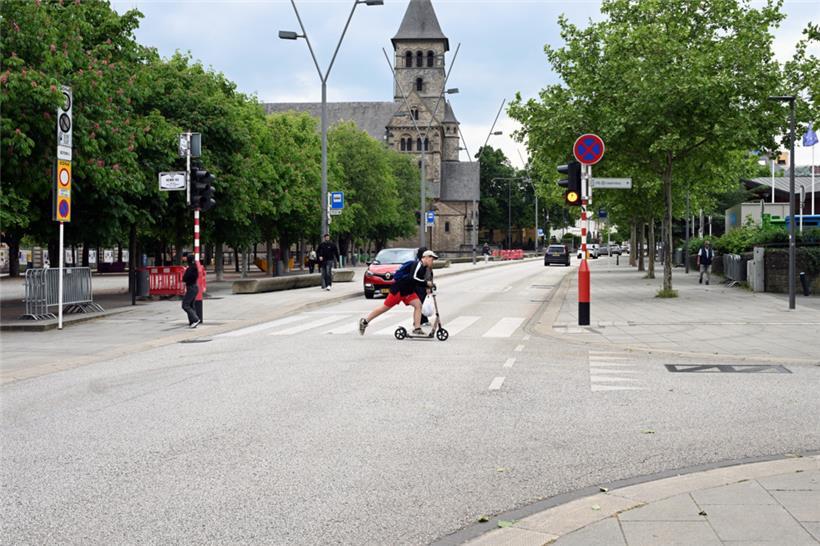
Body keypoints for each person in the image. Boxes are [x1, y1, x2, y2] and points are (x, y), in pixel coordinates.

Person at [359, 250, 437, 336]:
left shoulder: (424, 268)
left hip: (408, 292)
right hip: (398, 290)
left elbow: (417, 282)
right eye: (432, 259)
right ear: (426, 257)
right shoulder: (417, 264)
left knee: (418, 305)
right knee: (384, 308)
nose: (432, 261)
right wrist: (426, 283)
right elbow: (412, 278)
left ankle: (417, 329)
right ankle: (365, 321)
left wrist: (428, 286)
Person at [181, 254, 201, 328]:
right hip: (194, 287)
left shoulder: (190, 269)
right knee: (191, 305)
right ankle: (192, 322)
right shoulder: (195, 267)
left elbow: (185, 278)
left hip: (191, 287)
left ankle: (195, 319)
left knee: (185, 305)